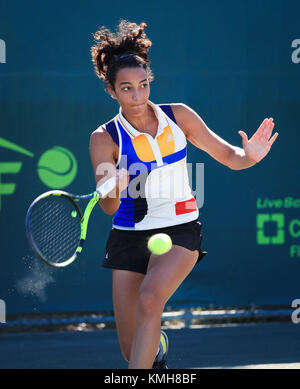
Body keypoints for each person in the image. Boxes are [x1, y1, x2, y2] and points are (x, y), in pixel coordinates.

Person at [89, 20, 278, 369]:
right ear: (113, 91)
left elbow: (228, 156)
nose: (137, 96)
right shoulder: (104, 138)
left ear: (150, 83)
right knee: (132, 350)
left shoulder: (180, 117)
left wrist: (249, 157)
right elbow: (107, 207)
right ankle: (154, 347)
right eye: (127, 88)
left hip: (180, 230)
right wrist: (113, 186)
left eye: (143, 85)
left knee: (149, 302)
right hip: (127, 237)